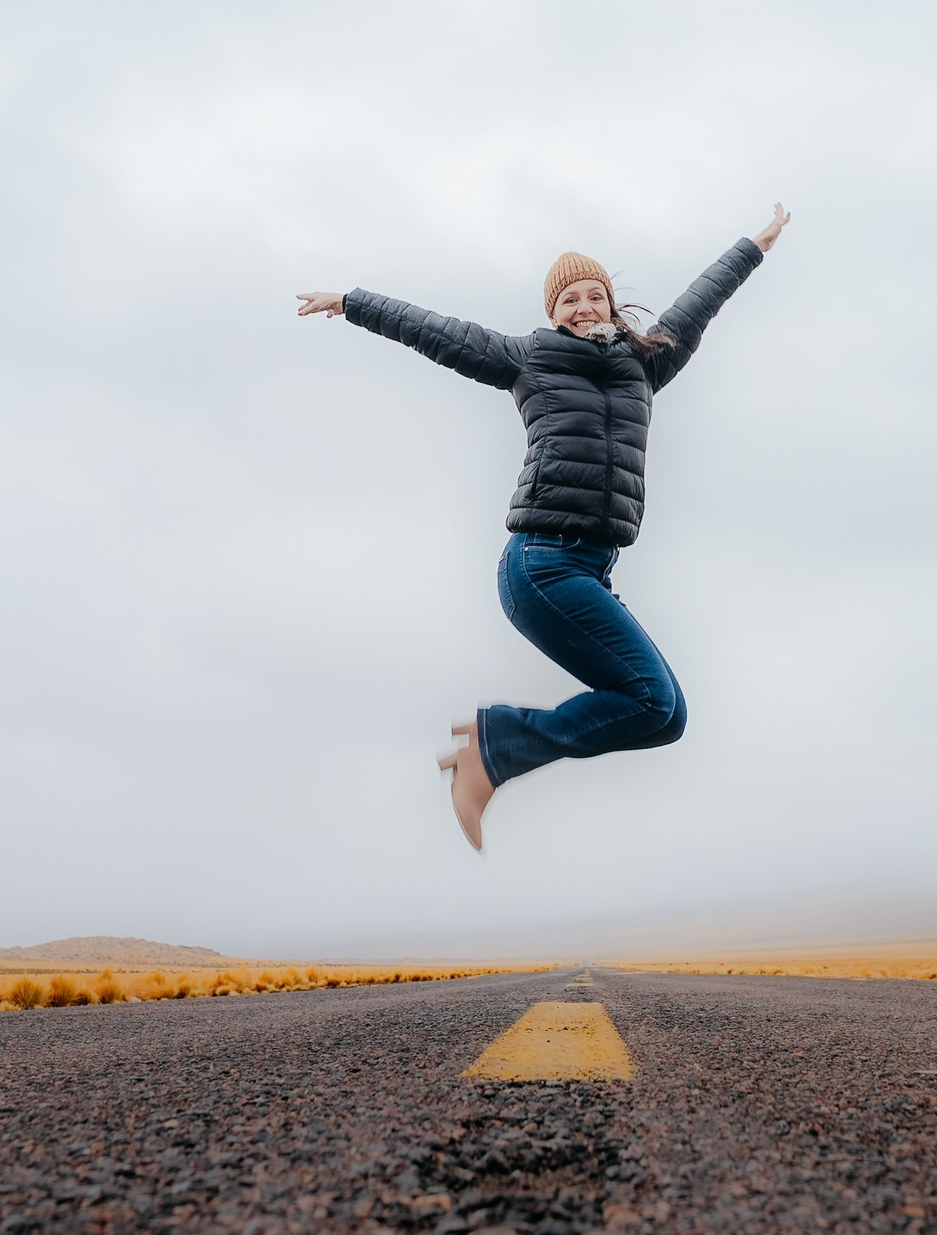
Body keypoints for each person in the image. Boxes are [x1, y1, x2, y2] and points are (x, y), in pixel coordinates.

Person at [296, 204, 791, 849]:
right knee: (646, 699)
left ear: (612, 305)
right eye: (569, 299)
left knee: (666, 717)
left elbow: (700, 303)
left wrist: (753, 247)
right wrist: (354, 302)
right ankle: (493, 747)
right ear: (553, 311)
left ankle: (494, 744)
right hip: (542, 563)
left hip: (591, 568)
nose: (584, 307)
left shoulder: (646, 364)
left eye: (596, 295)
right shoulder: (529, 359)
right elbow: (437, 331)